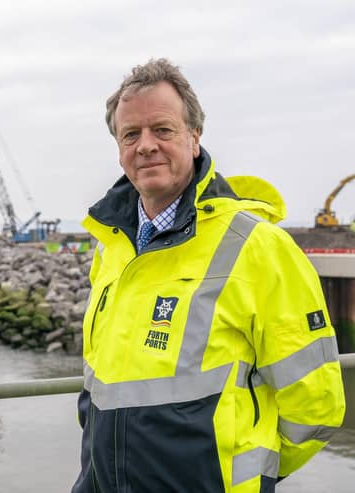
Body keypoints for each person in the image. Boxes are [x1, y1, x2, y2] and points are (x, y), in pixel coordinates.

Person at [71, 58, 345, 493]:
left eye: (162, 130)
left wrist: (249, 477)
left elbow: (316, 404)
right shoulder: (112, 249)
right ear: (119, 148)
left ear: (194, 138)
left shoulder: (257, 246)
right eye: (130, 134)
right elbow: (98, 388)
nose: (145, 146)